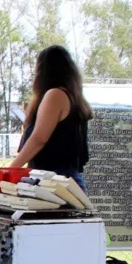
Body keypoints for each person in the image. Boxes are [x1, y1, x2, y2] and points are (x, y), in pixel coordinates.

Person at [8, 44, 93, 190]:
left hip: (54, 184)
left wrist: (10, 170)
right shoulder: (72, 98)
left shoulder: (55, 95)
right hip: (64, 182)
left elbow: (39, 138)